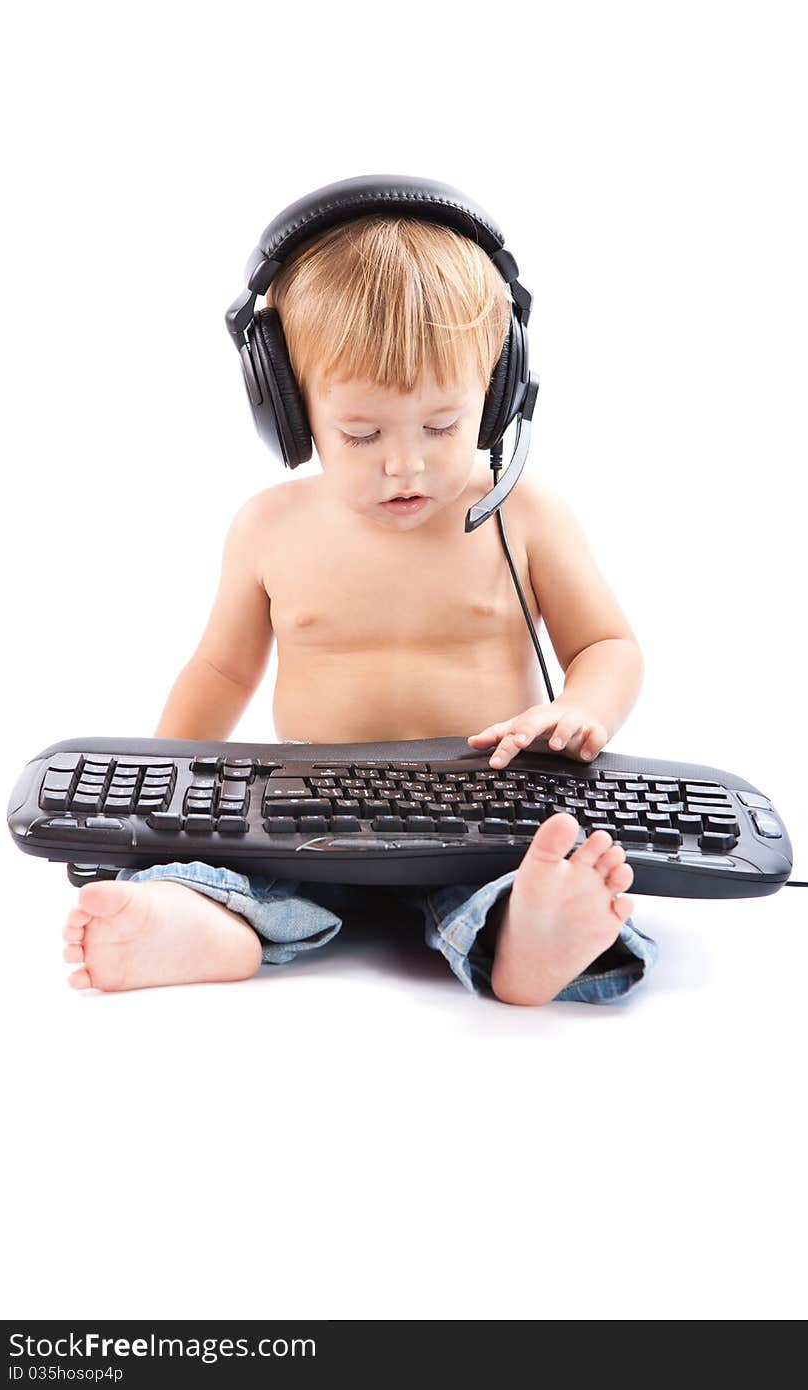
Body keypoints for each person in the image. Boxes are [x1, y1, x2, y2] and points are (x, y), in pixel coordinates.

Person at [60, 212, 658, 1004]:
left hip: (486, 803)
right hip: (316, 816)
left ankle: (527, 934)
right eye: (362, 433)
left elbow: (608, 643)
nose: (404, 464)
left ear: (498, 387)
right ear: (288, 408)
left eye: (444, 425)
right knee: (227, 872)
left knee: (534, 868)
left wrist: (583, 708)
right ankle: (191, 923)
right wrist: (160, 796)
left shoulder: (526, 516)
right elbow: (220, 666)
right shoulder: (269, 527)